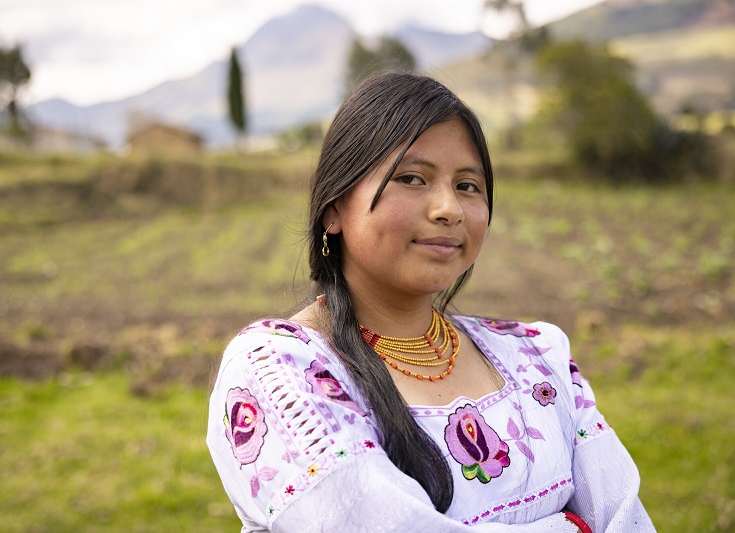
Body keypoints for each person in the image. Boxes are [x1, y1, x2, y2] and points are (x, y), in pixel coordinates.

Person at [206, 72, 655, 532]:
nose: (449, 208)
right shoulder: (279, 371)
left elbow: (625, 516)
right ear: (334, 208)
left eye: (467, 185)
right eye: (412, 178)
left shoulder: (538, 356)